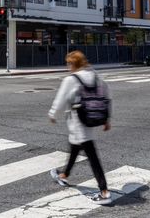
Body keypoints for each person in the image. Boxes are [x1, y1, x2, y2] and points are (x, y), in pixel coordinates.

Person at [48, 50, 112, 205]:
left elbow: (60, 100)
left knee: (92, 156)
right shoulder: (96, 76)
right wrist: (106, 119)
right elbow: (106, 97)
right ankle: (64, 175)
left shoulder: (71, 79)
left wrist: (53, 114)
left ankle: (104, 192)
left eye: (68, 63)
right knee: (75, 147)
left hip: (78, 122)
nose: (67, 66)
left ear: (73, 64)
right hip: (91, 119)